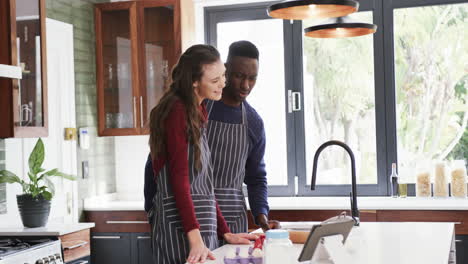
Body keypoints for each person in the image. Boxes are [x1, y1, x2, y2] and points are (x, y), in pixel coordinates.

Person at [145, 40, 279, 234]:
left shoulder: (253, 122)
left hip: (231, 220)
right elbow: (158, 163)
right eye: (238, 76)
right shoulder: (196, 106)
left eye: (252, 78)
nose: (246, 85)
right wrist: (151, 207)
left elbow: (256, 177)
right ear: (225, 69)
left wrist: (262, 217)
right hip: (188, 216)